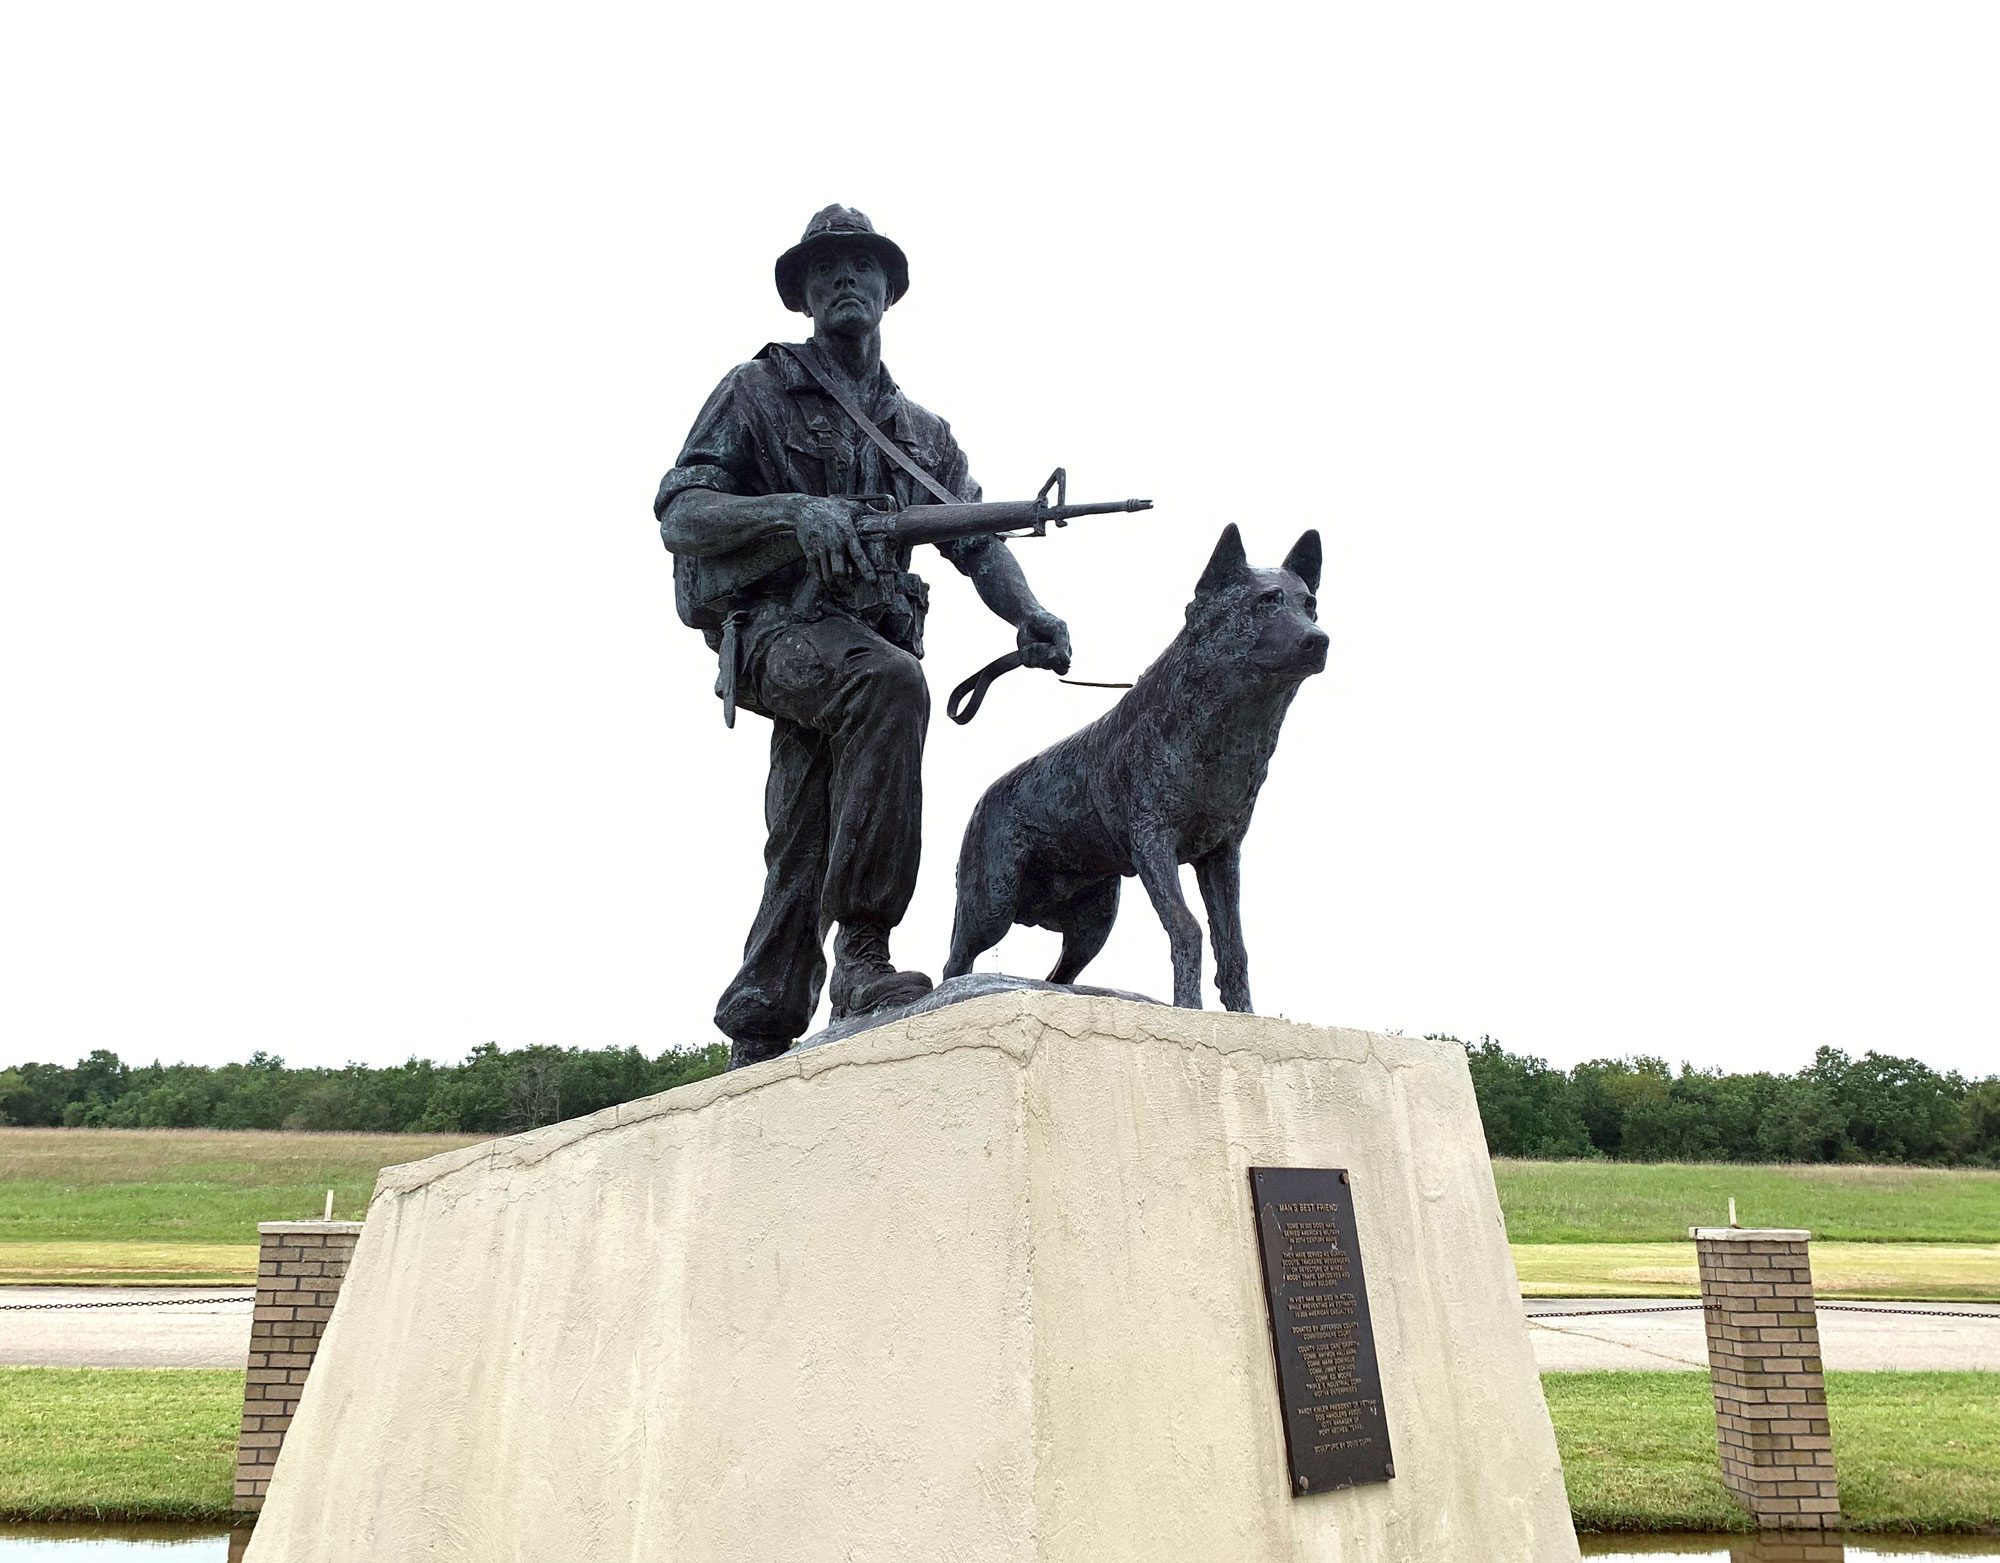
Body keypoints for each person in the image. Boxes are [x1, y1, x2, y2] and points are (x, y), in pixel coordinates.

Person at [656, 205, 1071, 1068]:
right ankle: (864, 955)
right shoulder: (756, 391)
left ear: (888, 290)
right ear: (804, 293)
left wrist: (1026, 612)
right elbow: (681, 512)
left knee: (806, 827)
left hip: (863, 639)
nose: (845, 279)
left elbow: (976, 539)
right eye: (826, 269)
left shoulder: (923, 436)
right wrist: (794, 511)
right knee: (888, 687)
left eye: (862, 267)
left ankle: (762, 1020)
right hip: (775, 633)